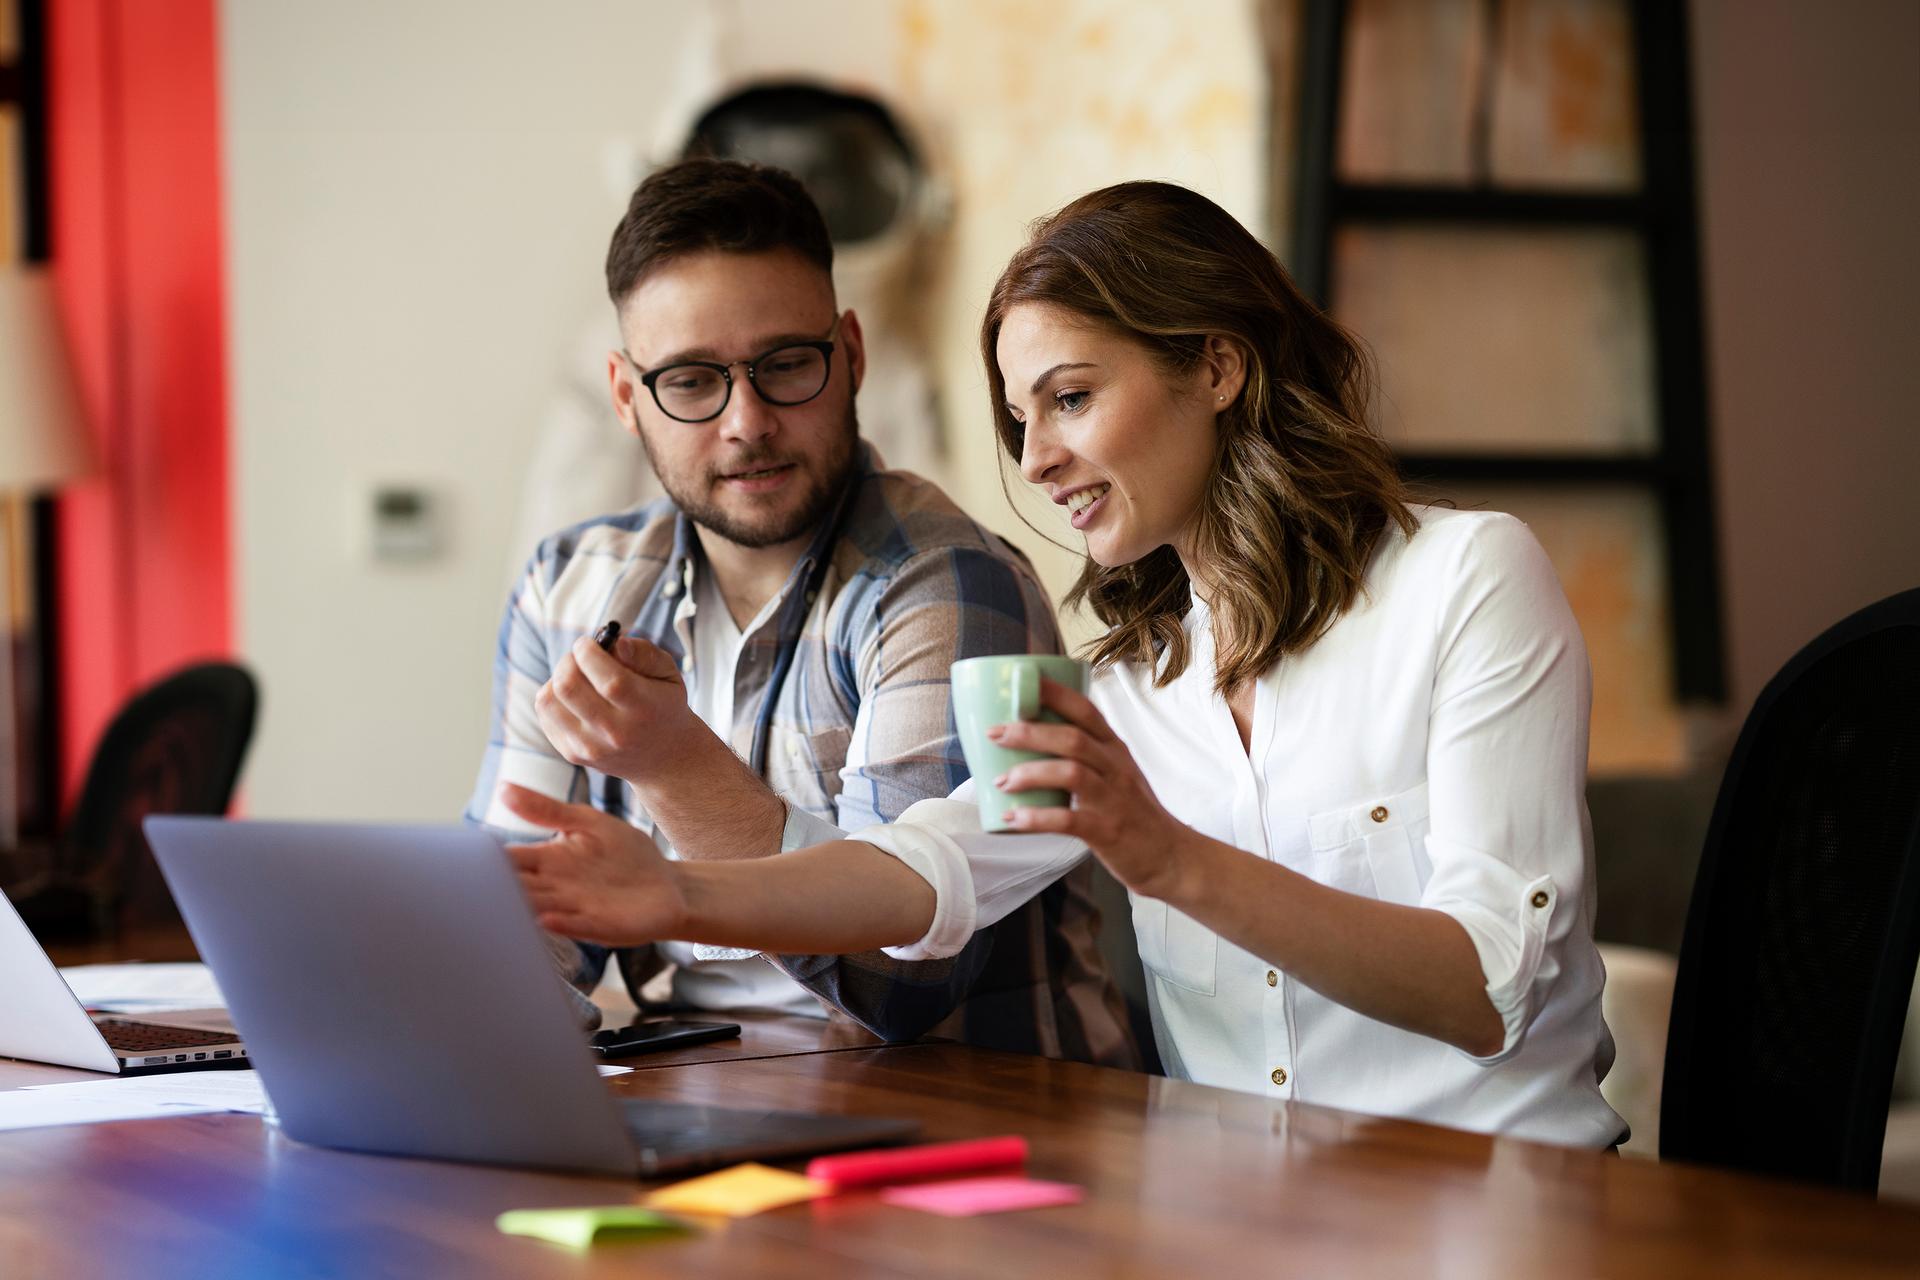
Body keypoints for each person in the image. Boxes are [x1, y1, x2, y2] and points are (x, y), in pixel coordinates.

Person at [501, 180, 1626, 1146]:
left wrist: (1169, 856)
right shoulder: (1132, 686)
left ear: (1218, 366)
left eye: (1071, 398)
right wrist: (680, 889)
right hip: (1252, 1218)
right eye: (1017, 416)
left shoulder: (1466, 578)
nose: (1035, 459)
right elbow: (919, 873)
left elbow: (1491, 988)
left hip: (1501, 1198)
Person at [468, 158, 1136, 1070]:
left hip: (962, 1110)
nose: (747, 421)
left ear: (851, 356)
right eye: (693, 381)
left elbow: (900, 986)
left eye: (785, 364)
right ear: (627, 397)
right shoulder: (570, 588)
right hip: (701, 1084)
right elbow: (526, 923)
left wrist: (672, 765)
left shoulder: (947, 579)